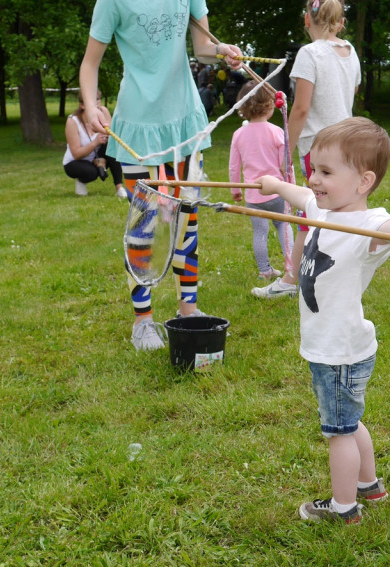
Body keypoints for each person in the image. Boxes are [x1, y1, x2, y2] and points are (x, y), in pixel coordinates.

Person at [256, 117, 390, 523]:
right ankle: (369, 486)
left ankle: (343, 508)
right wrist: (274, 185)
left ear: (363, 182)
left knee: (337, 431)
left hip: (338, 350)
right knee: (350, 422)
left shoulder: (368, 226)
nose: (315, 179)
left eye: (326, 172)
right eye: (314, 169)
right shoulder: (324, 205)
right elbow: (302, 195)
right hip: (335, 345)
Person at [78, 0, 242, 351]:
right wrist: (91, 107)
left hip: (185, 123)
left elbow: (204, 48)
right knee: (144, 225)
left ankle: (189, 311)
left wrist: (222, 51)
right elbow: (90, 63)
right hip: (138, 128)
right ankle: (143, 322)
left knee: (188, 221)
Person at [252, 0, 360, 300]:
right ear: (340, 23)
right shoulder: (351, 53)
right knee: (338, 211)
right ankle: (318, 275)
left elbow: (300, 109)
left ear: (306, 20)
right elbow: (347, 97)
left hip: (319, 149)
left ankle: (290, 279)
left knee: (310, 213)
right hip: (348, 145)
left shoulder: (308, 54)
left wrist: (285, 152)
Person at [229, 80, 294, 280]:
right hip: (278, 192)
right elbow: (287, 164)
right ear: (269, 105)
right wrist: (292, 189)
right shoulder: (277, 131)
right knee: (284, 226)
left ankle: (264, 271)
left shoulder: (238, 134)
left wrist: (235, 190)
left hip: (253, 195)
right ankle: (291, 268)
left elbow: (234, 166)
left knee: (259, 232)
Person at [63, 97, 127, 199]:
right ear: (82, 105)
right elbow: (76, 154)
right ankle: (81, 181)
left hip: (95, 157)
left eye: (98, 100)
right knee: (92, 173)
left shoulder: (103, 112)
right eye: (93, 101)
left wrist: (108, 137)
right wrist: (95, 143)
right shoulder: (73, 121)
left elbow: (114, 136)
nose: (97, 105)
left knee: (112, 146)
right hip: (75, 162)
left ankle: (119, 188)